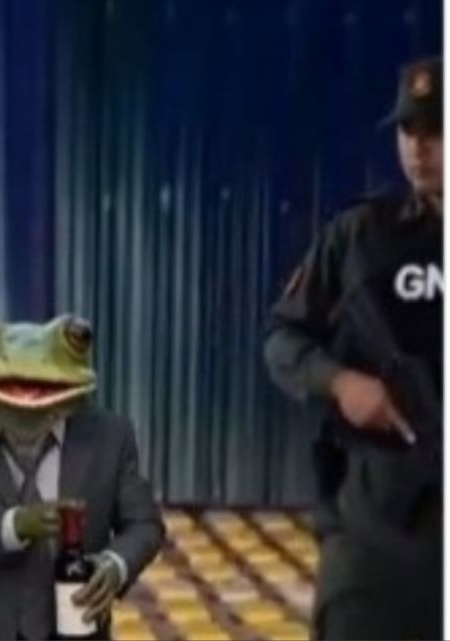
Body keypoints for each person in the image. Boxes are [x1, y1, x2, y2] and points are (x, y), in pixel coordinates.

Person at [262, 56, 443, 641]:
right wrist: (341, 383)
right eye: (407, 129)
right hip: (377, 521)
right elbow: (283, 340)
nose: (419, 147)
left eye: (436, 128)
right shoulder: (362, 235)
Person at [0, 311, 164, 640]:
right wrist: (15, 525)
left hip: (73, 623)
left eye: (78, 338)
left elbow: (144, 524)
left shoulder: (110, 434)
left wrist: (114, 565)